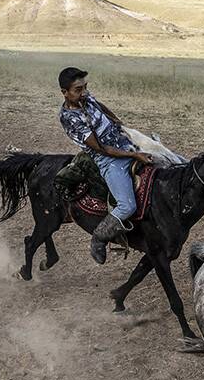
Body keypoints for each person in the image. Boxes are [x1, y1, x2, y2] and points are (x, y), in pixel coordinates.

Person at [58, 67, 153, 264]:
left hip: (125, 143)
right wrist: (135, 154)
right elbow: (102, 149)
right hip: (109, 160)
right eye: (78, 89)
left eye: (85, 87)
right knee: (127, 206)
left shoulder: (84, 97)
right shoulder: (69, 118)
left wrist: (115, 119)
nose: (83, 92)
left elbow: (98, 104)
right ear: (64, 92)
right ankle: (99, 238)